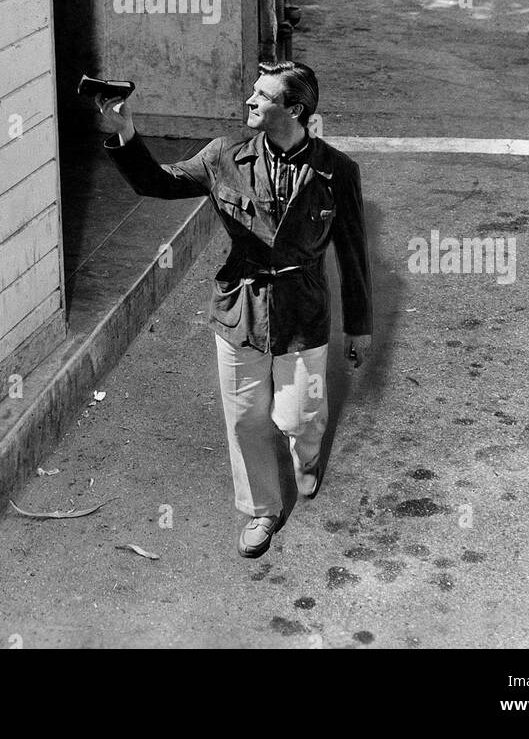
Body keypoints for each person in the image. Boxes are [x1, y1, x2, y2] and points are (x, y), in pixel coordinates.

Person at [96, 62, 372, 560]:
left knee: (300, 416)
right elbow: (158, 182)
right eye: (252, 91)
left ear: (294, 109)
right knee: (246, 419)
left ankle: (305, 457)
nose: (248, 100)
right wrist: (123, 132)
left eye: (262, 95)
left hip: (303, 311)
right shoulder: (224, 156)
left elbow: (352, 254)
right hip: (240, 306)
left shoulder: (337, 171)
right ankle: (261, 509)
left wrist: (360, 328)